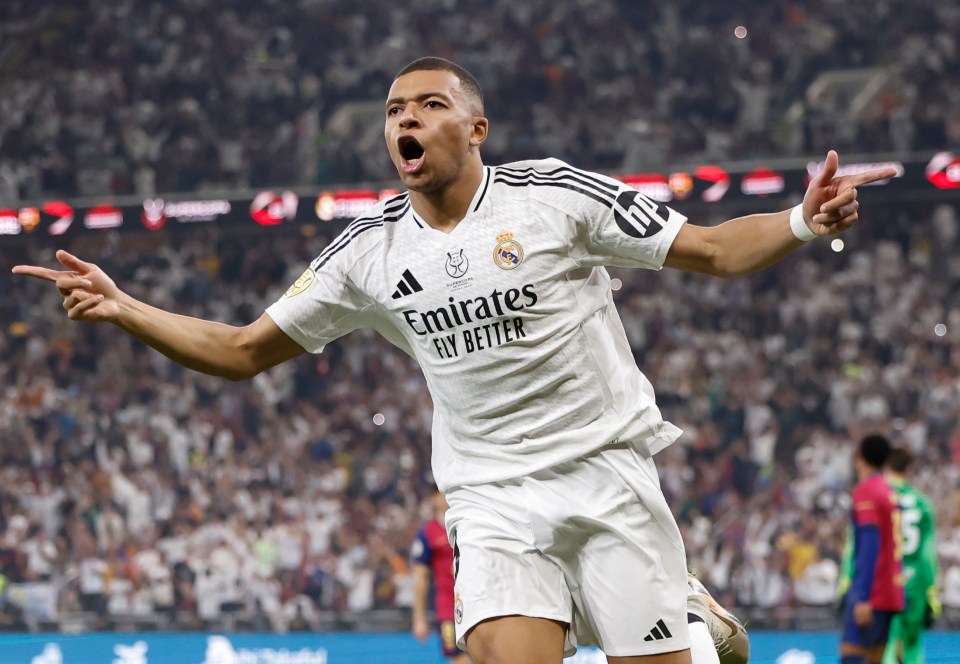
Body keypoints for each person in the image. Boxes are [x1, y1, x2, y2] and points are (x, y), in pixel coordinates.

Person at [13, 56, 896, 664]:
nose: (407, 118)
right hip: (490, 496)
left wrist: (799, 223)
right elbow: (244, 351)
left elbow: (708, 248)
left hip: (606, 474)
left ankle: (685, 623)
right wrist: (127, 309)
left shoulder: (554, 197)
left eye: (429, 105)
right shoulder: (367, 252)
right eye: (395, 110)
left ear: (475, 126)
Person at [839, 434, 905, 664]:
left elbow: (870, 545)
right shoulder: (889, 491)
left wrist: (863, 596)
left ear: (860, 458)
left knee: (852, 657)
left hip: (872, 594)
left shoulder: (867, 491)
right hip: (891, 593)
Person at [881, 447, 940, 664]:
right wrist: (932, 592)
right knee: (912, 648)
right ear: (908, 469)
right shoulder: (922, 503)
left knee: (886, 643)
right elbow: (927, 554)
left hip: (885, 584)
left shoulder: (876, 500)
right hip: (914, 583)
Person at [412, 491, 470, 664]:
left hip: (474, 598)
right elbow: (420, 578)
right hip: (448, 607)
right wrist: (419, 618)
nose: (441, 496)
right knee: (457, 656)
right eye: (437, 492)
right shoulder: (428, 533)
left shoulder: (466, 523)